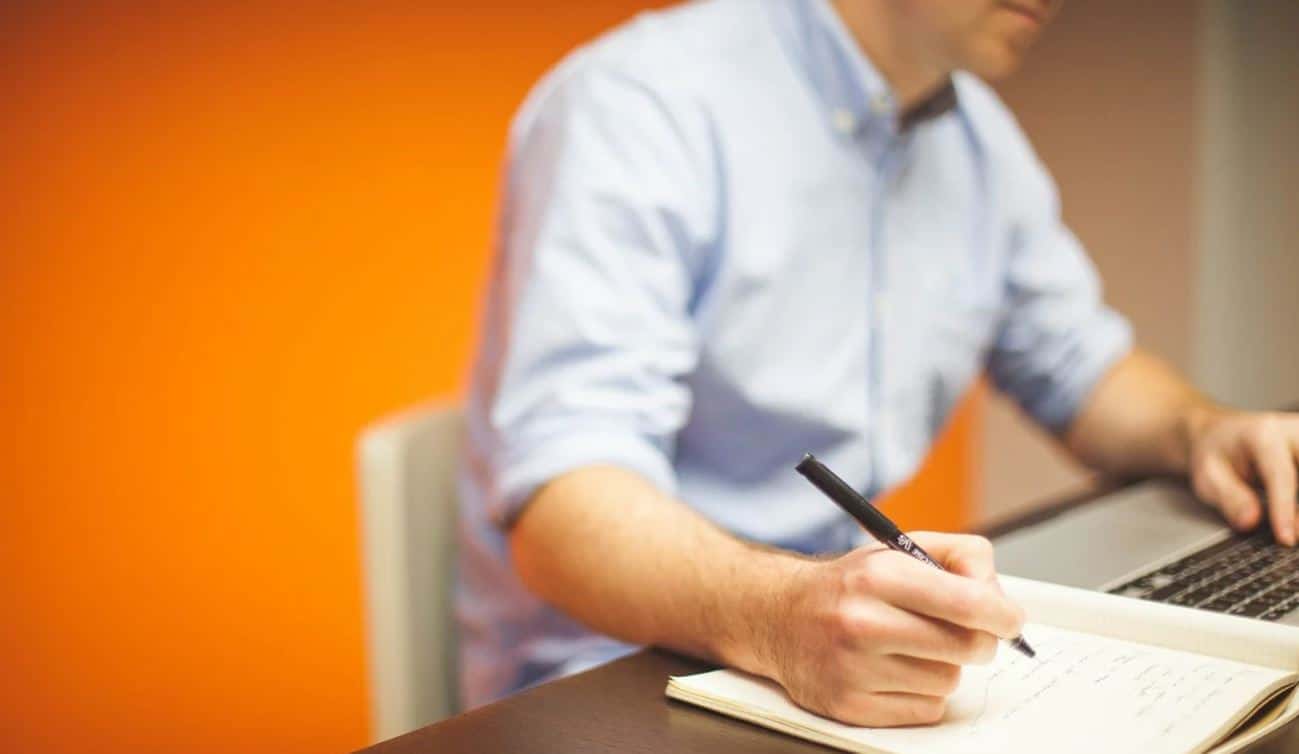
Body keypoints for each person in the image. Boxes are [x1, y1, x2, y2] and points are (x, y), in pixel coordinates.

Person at [455, 0, 1299, 725]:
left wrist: (1202, 431)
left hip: (831, 647)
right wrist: (778, 617)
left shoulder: (974, 139)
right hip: (620, 678)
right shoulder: (639, 105)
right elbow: (562, 508)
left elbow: (1078, 365)